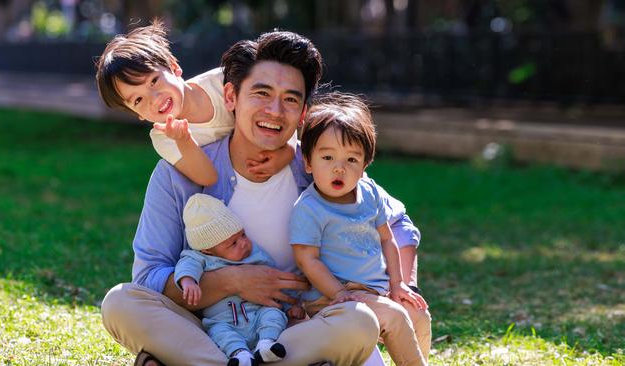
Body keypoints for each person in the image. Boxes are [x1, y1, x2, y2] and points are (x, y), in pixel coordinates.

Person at [101, 30, 427, 366]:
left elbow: (397, 223)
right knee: (120, 303)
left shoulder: (318, 165)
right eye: (261, 93)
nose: (274, 110)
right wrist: (232, 282)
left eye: (290, 99)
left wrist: (403, 287)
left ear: (303, 113)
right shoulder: (176, 171)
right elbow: (150, 274)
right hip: (214, 326)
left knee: (358, 322)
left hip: (296, 324)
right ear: (230, 97)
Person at [291, 93, 432, 366]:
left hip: (373, 291)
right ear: (308, 162)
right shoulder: (308, 208)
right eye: (328, 157)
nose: (339, 169)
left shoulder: (369, 193)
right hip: (330, 298)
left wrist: (398, 283)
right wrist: (339, 294)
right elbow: (307, 259)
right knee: (396, 316)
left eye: (351, 160)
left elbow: (387, 238)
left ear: (365, 164)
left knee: (417, 313)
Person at [95, 19, 294, 186]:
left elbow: (277, 111)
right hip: (231, 191)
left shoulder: (223, 81)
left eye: (154, 81)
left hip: (275, 170)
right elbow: (208, 178)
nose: (155, 99)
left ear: (174, 68)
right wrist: (184, 141)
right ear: (137, 114)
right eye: (138, 100)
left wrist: (287, 152)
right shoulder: (164, 137)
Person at [176, 193, 303, 366]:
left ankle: (266, 345)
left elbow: (273, 281)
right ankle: (240, 355)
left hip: (258, 313)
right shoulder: (200, 258)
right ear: (207, 250)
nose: (243, 243)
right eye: (233, 243)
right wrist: (188, 280)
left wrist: (290, 307)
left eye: (242, 234)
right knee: (218, 331)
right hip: (223, 320)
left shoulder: (255, 254)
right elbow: (187, 265)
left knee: (273, 314)